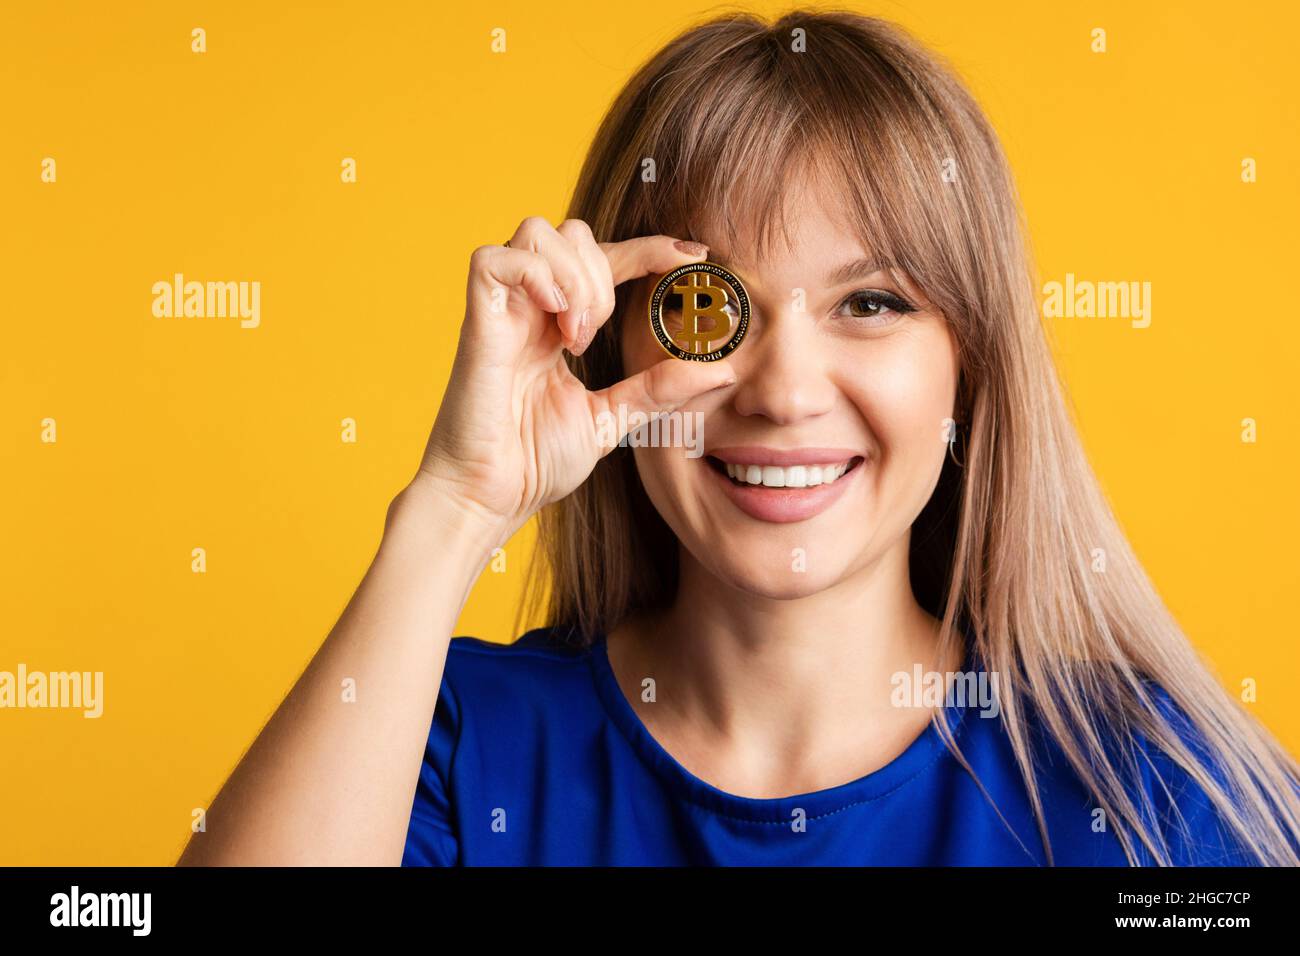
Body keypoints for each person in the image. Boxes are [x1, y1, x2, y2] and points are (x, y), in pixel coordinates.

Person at [178, 9, 1300, 866]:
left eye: (871, 301)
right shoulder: (451, 745)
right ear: (607, 341)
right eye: (709, 305)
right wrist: (456, 505)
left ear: (973, 360)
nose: (783, 390)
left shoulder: (1156, 790)